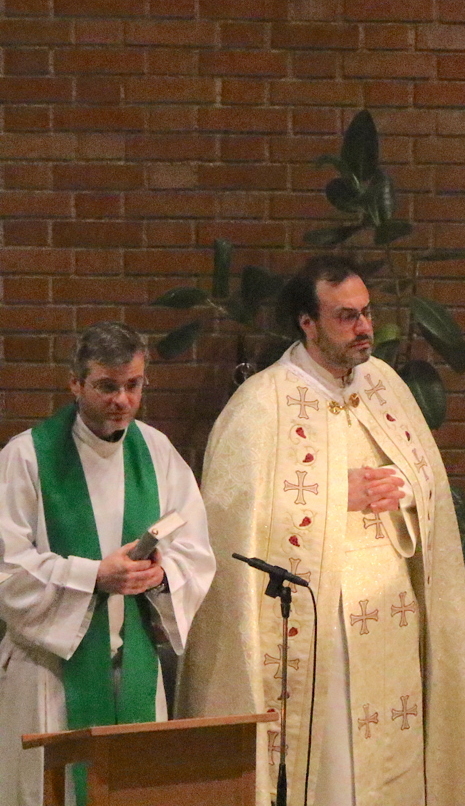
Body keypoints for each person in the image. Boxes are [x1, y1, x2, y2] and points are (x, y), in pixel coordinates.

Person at [176, 256, 465, 806]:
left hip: (392, 609)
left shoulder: (385, 386)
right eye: (346, 316)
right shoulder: (263, 402)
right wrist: (333, 494)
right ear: (308, 323)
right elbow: (232, 522)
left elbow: (428, 484)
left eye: (366, 313)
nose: (364, 327)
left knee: (392, 753)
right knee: (330, 763)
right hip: (317, 614)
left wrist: (405, 490)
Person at [0, 321, 215, 806]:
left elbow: (194, 548)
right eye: (106, 386)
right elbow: (8, 571)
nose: (122, 400)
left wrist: (161, 574)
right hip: (51, 673)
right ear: (75, 383)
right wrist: (95, 575)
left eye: (133, 385)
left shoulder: (156, 452)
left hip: (133, 660)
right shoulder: (26, 458)